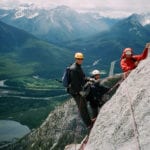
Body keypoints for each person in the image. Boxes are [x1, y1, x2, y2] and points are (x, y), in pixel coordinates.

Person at [68, 52, 93, 129]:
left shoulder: (78, 67)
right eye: (79, 59)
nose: (80, 60)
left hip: (78, 91)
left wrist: (88, 79)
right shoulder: (74, 69)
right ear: (76, 59)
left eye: (81, 59)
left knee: (84, 106)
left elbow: (82, 78)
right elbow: (75, 84)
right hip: (76, 92)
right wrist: (80, 92)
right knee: (82, 108)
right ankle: (89, 125)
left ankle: (89, 121)